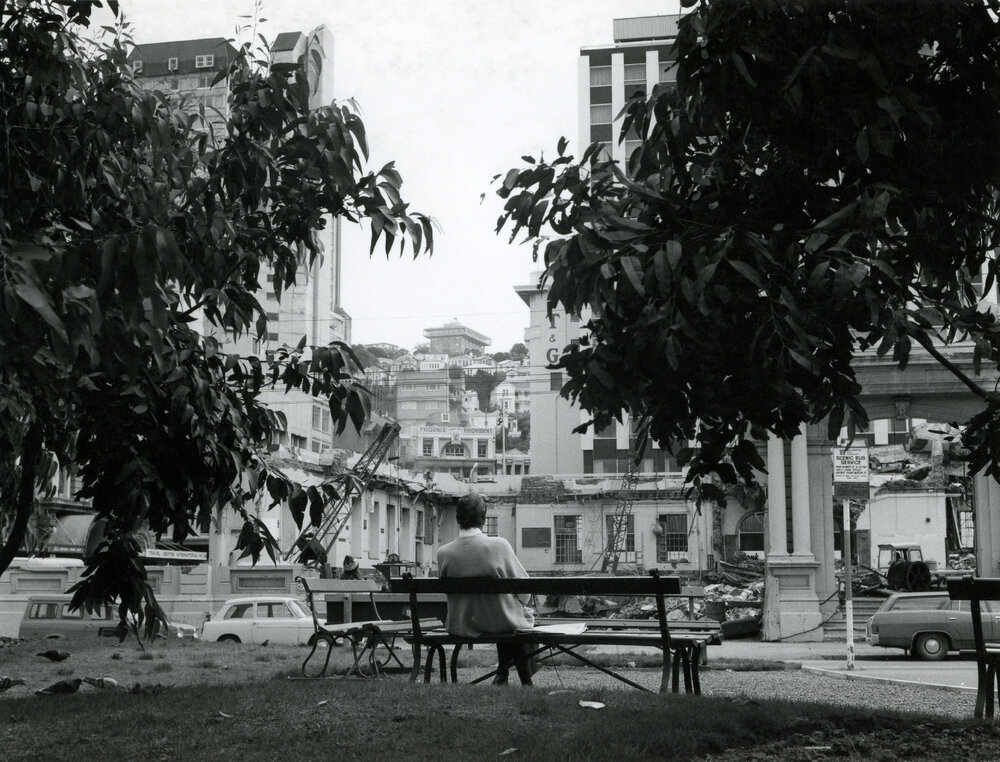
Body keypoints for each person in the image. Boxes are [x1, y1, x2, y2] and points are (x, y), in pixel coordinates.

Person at [436, 492, 535, 686]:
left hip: (462, 623)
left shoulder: (443, 553)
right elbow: (525, 589)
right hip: (499, 622)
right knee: (514, 617)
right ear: (483, 518)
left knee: (503, 613)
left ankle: (502, 674)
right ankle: (525, 680)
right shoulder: (499, 545)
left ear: (458, 518)